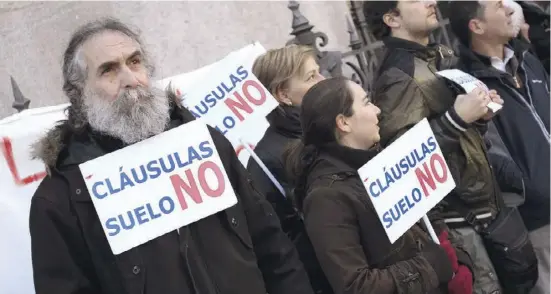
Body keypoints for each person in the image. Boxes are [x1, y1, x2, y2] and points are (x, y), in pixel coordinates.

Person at [28, 18, 314, 294]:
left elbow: (272, 246)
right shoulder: (61, 200)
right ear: (78, 94)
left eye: (135, 61)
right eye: (109, 70)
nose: (131, 79)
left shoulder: (206, 144)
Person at [363, 1, 506, 293]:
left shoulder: (438, 53)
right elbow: (404, 163)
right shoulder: (397, 74)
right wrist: (456, 118)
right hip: (460, 226)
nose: (431, 2)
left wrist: (478, 116)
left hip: (485, 210)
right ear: (392, 18)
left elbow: (456, 134)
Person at [283, 77, 473, 294]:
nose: (377, 110)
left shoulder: (379, 159)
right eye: (366, 102)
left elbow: (427, 218)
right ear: (343, 122)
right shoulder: (326, 198)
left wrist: (458, 258)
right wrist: (429, 266)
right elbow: (355, 286)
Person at [449, 1, 549, 293]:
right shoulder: (468, 85)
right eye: (497, 5)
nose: (509, 10)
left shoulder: (527, 59)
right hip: (539, 220)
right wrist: (536, 191)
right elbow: (490, 153)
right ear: (476, 26)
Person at [246, 45, 331, 294]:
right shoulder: (266, 161)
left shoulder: (328, 129)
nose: (323, 80)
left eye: (319, 72)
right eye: (311, 77)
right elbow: (282, 242)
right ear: (283, 94)